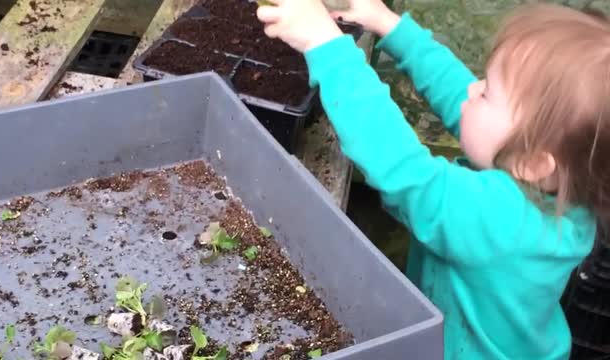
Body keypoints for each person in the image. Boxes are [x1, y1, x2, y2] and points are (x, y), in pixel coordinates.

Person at [256, 0, 610, 359]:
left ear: (534, 162)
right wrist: (391, 27)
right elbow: (460, 97)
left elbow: (404, 171)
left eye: (487, 93)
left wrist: (325, 44)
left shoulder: (506, 221)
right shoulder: (560, 183)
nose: (473, 90)